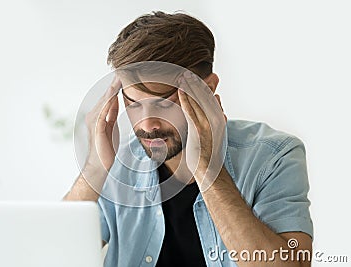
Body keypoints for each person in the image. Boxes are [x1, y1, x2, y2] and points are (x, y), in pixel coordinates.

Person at [64, 11, 313, 267]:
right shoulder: (118, 163)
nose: (147, 124)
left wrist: (208, 169)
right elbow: (50, 255)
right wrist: (95, 169)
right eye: (134, 104)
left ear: (208, 88)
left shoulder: (274, 156)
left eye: (163, 103)